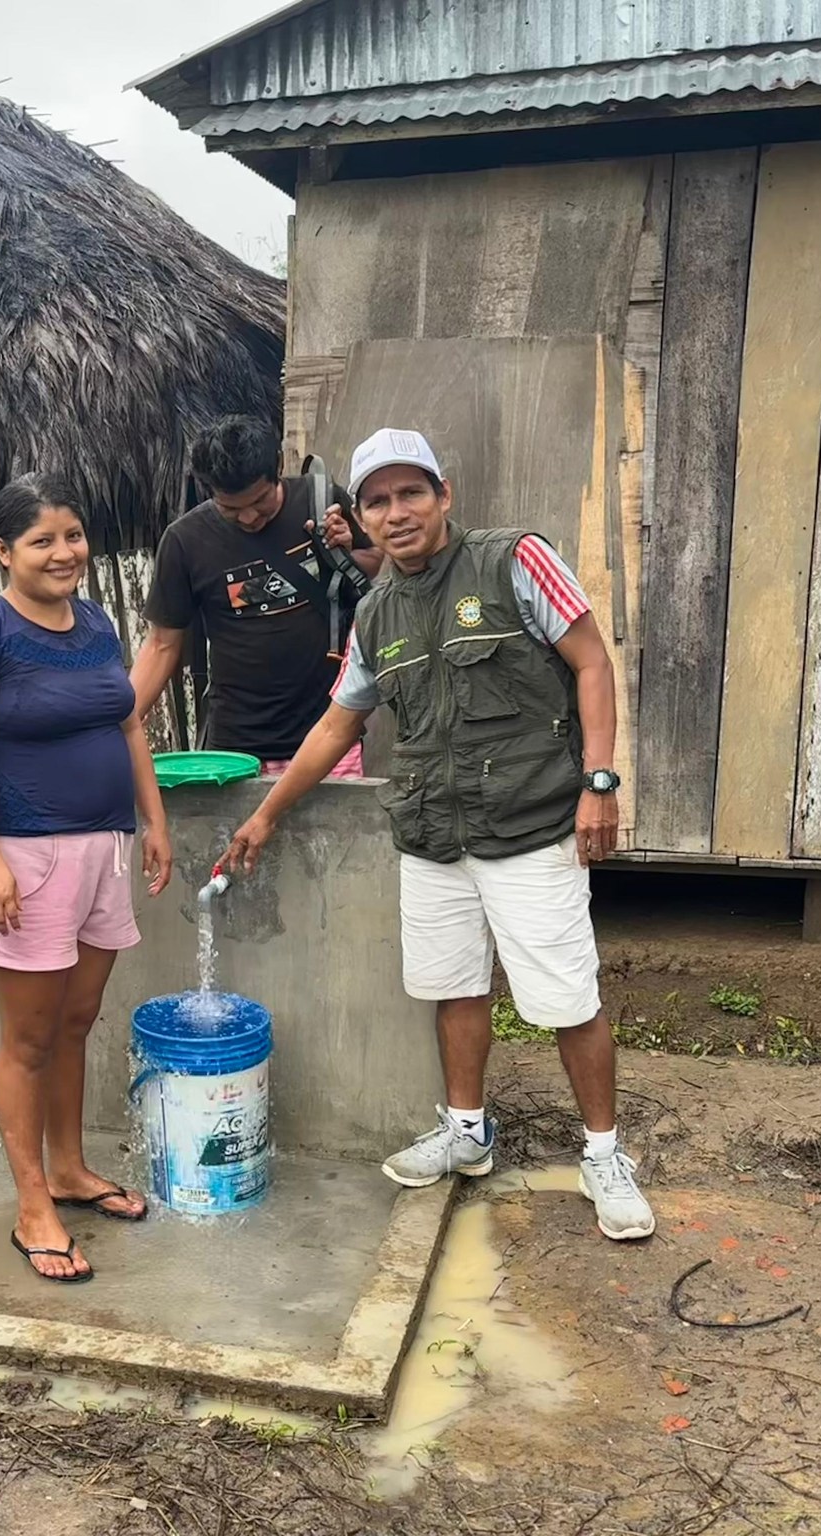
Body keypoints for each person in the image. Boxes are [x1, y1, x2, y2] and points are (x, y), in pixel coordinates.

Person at [224, 428, 653, 1242]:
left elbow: (593, 664)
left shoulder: (515, 560)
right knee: (453, 987)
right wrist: (266, 811)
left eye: (410, 493)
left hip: (530, 822)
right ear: (360, 516)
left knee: (566, 996)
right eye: (377, 501)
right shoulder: (376, 613)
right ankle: (466, 1131)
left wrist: (600, 782)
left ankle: (603, 1152)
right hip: (433, 833)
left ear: (443, 494)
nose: (397, 513)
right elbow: (335, 726)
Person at [0, 474, 172, 1283]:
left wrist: (153, 821)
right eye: (42, 540)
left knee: (76, 1020)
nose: (64, 552)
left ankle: (70, 1171)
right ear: (4, 552)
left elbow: (128, 722)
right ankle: (32, 1204)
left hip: (104, 848)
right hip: (26, 858)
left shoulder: (98, 621)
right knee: (30, 1038)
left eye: (73, 536)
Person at [129, 415, 380, 776]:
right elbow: (161, 645)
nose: (248, 517)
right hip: (235, 748)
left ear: (278, 466)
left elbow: (371, 563)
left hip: (329, 738)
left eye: (260, 501)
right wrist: (117, 723)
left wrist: (342, 552)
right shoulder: (185, 541)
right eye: (230, 508)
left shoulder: (321, 500)